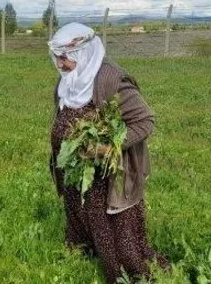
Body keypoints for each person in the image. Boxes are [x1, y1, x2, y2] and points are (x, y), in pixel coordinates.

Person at [48, 22, 169, 283]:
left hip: (106, 174)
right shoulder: (69, 79)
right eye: (57, 57)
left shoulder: (111, 80)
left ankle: (125, 271)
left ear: (83, 54)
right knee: (78, 210)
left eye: (65, 58)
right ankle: (84, 248)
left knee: (114, 228)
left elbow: (145, 121)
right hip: (77, 169)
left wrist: (108, 147)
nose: (60, 64)